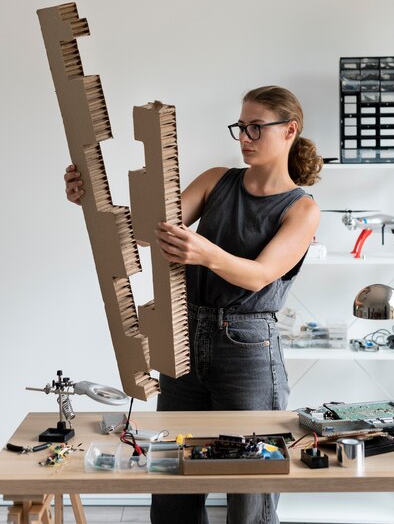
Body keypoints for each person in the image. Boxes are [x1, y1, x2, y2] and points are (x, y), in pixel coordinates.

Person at [65, 85, 322, 524]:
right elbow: (150, 232)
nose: (244, 136)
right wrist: (90, 199)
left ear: (289, 131)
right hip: (183, 339)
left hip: (248, 349)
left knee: (250, 492)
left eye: (256, 127)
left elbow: (261, 274)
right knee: (172, 481)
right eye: (241, 126)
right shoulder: (216, 180)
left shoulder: (301, 208)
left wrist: (204, 252)